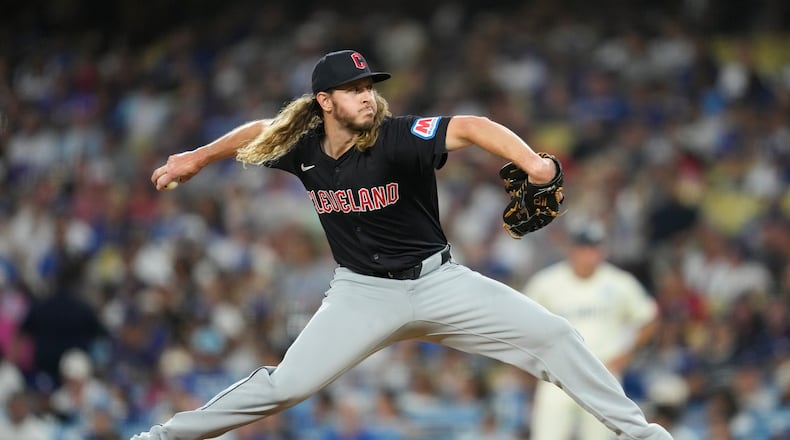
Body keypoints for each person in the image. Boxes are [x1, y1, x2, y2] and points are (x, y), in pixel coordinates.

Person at [132, 50, 672, 440]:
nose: (368, 96)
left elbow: (472, 126)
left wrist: (534, 163)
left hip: (439, 282)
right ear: (325, 101)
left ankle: (643, 436)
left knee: (555, 336)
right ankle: (163, 438)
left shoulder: (395, 136)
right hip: (362, 293)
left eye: (370, 87)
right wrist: (197, 157)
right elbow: (257, 130)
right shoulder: (303, 147)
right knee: (286, 387)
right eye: (354, 90)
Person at [522, 219, 660, 440]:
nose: (590, 254)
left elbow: (649, 319)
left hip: (602, 373)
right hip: (558, 374)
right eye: (584, 248)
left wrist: (624, 356)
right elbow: (523, 321)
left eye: (595, 248)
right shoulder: (547, 282)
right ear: (572, 250)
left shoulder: (619, 283)